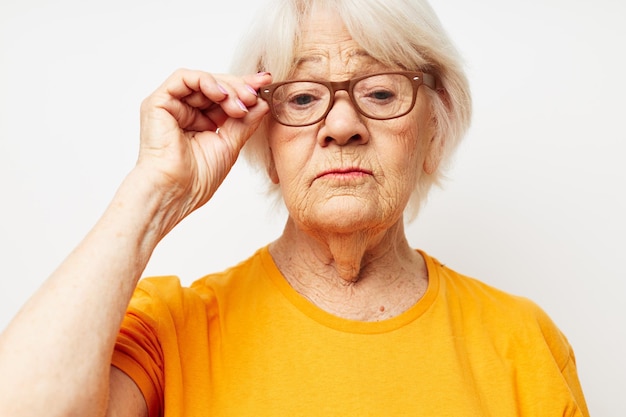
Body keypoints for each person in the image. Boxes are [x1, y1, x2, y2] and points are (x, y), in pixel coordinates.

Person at [0, 0, 589, 415]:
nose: (341, 125)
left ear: (434, 125)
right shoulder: (169, 330)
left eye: (381, 91)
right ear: (262, 134)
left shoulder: (523, 342)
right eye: (303, 97)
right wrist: (153, 192)